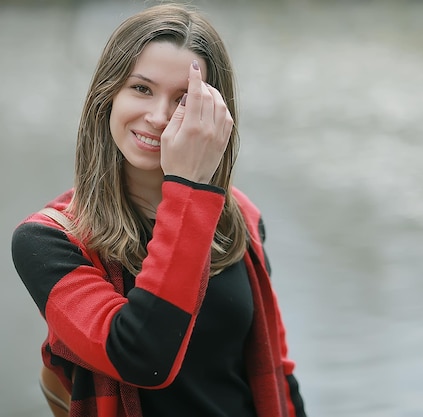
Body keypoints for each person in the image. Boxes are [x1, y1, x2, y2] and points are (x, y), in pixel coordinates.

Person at [11, 3, 306, 417]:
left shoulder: (238, 216)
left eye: (184, 100)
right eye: (141, 89)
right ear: (107, 94)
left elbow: (277, 368)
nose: (159, 117)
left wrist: (195, 193)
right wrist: (188, 188)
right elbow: (143, 358)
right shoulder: (48, 240)